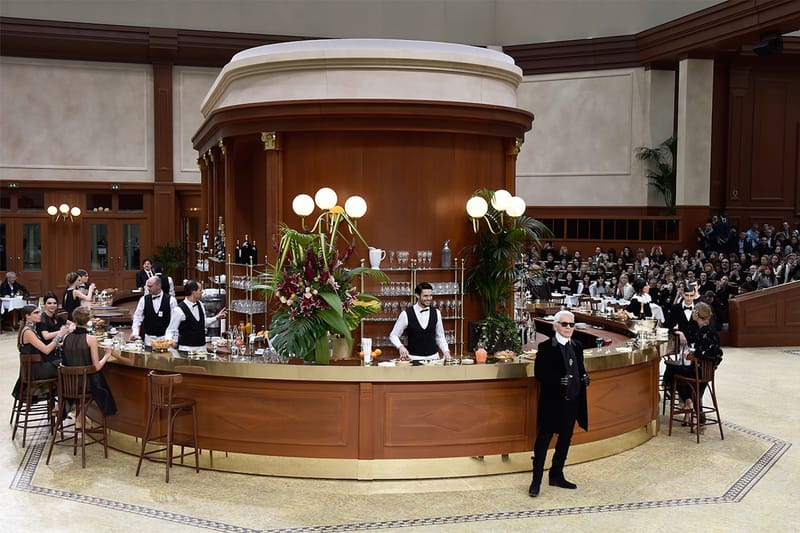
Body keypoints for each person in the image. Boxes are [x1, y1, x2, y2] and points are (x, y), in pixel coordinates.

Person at [529, 310, 590, 497]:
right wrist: (558, 380)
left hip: (572, 402)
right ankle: (536, 480)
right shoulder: (546, 347)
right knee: (543, 441)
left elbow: (580, 368)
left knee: (565, 440)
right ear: (555, 326)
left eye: (572, 325)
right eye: (565, 324)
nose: (569, 328)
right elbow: (540, 374)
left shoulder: (578, 346)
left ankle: (556, 474)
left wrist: (584, 378)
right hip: (552, 403)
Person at [661, 302, 722, 432]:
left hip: (696, 372)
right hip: (708, 373)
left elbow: (700, 353)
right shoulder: (713, 333)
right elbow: (718, 354)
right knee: (689, 383)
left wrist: (691, 355)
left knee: (670, 369)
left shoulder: (702, 333)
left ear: (696, 314)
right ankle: (698, 416)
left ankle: (687, 401)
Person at [61, 306, 117, 418]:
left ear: (74, 320)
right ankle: (81, 416)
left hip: (68, 385)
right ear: (89, 320)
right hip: (86, 386)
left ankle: (79, 415)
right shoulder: (91, 339)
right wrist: (107, 355)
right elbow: (97, 367)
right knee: (100, 384)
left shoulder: (66, 337)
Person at [11, 305, 67, 401]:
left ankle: (61, 402)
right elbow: (46, 350)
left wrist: (61, 344)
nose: (40, 315)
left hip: (36, 367)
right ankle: (64, 402)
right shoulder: (28, 331)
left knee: (64, 362)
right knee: (66, 365)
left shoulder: (31, 329)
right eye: (36, 313)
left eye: (40, 312)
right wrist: (60, 334)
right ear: (27, 316)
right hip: (35, 370)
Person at [389, 282, 450, 361]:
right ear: (417, 295)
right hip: (413, 359)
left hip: (434, 359)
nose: (429, 298)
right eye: (425, 296)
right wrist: (400, 346)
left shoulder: (436, 312)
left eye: (431, 295)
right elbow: (393, 335)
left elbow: (440, 336)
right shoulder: (406, 314)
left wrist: (446, 351)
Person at [166, 280, 227, 351]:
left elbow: (203, 323)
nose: (202, 291)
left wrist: (216, 317)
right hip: (186, 349)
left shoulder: (200, 304)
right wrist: (171, 342)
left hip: (202, 349)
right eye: (200, 290)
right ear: (193, 292)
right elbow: (170, 330)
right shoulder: (179, 310)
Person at [130, 276, 178, 347]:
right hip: (148, 339)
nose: (148, 289)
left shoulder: (171, 300)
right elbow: (137, 317)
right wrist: (135, 333)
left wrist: (174, 339)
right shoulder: (143, 300)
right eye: (147, 286)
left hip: (165, 339)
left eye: (150, 286)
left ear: (158, 286)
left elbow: (175, 321)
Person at [666, 282, 699, 348]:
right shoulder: (675, 308)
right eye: (687, 295)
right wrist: (679, 333)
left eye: (691, 295)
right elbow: (669, 326)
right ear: (683, 294)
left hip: (697, 344)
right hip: (679, 344)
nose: (689, 298)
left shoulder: (699, 308)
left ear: (695, 295)